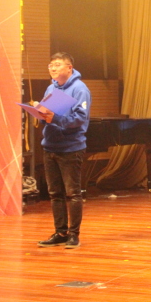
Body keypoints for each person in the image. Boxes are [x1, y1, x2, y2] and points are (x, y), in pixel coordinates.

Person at [37, 52, 91, 249]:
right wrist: (39, 112)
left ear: (69, 68)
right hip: (50, 146)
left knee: (73, 193)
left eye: (57, 64)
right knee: (55, 193)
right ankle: (60, 232)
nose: (53, 68)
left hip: (70, 148)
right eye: (51, 65)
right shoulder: (51, 87)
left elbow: (80, 119)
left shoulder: (79, 89)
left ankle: (74, 234)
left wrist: (55, 118)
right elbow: (47, 114)